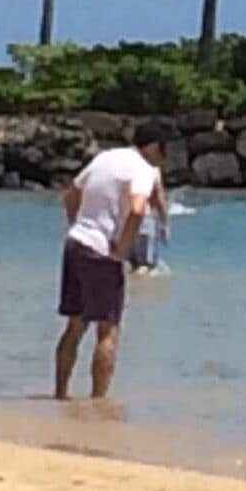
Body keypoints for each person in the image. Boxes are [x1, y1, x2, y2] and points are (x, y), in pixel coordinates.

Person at [56, 135, 165, 400]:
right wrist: (122, 247)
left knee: (75, 325)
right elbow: (138, 209)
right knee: (107, 329)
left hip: (76, 243)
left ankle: (60, 394)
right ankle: (99, 400)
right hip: (102, 252)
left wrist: (77, 225)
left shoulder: (105, 158)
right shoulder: (143, 168)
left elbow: (70, 196)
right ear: (155, 147)